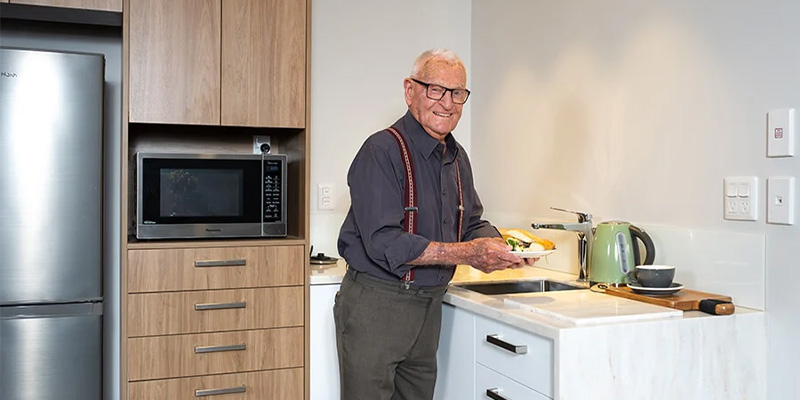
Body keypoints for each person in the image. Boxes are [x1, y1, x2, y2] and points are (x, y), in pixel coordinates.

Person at [335, 48, 536, 400]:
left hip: (429, 308)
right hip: (376, 307)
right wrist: (468, 254)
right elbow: (385, 242)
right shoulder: (381, 150)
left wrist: (504, 247)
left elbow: (470, 223)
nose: (447, 102)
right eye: (436, 90)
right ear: (410, 90)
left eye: (457, 93)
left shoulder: (458, 158)